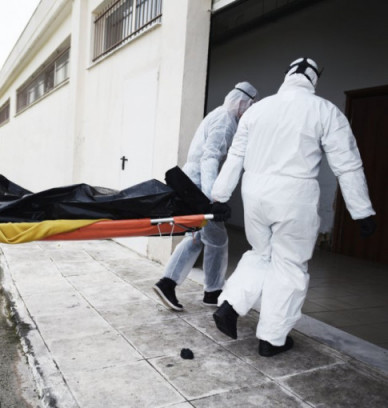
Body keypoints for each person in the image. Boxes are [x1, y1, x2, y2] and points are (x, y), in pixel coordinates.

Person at [210, 58, 376, 357]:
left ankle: (230, 305)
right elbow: (347, 164)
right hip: (295, 196)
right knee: (289, 264)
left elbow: (236, 156)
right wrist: (361, 210)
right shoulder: (325, 110)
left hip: (255, 193)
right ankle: (272, 339)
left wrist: (219, 196)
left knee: (260, 253)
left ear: (287, 75)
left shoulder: (258, 109)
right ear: (314, 78)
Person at [153, 82, 258, 311]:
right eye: (250, 105)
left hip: (193, 184)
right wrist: (213, 199)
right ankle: (209, 290)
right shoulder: (225, 119)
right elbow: (209, 158)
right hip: (199, 186)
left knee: (197, 237)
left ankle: (173, 284)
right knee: (217, 239)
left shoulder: (219, 114)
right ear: (243, 103)